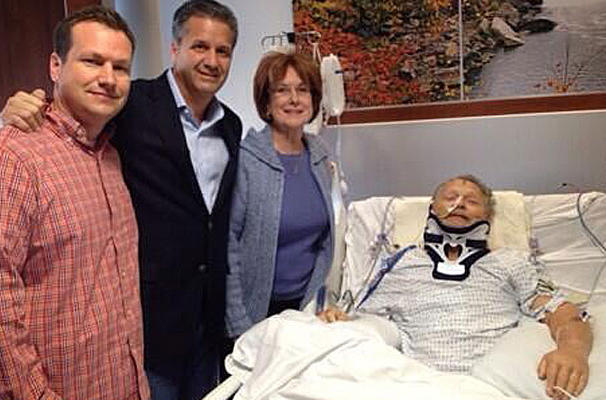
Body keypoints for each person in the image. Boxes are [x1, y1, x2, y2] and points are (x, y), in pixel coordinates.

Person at [0, 1, 242, 399]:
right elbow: (68, 118)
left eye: (223, 51)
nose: (211, 60)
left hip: (206, 316)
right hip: (149, 321)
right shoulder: (131, 104)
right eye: (200, 46)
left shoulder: (231, 125)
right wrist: (10, 116)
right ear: (175, 49)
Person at [0, 6, 150, 400]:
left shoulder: (110, 156)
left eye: (120, 68)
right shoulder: (8, 158)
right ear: (55, 65)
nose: (108, 78)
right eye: (92, 61)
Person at [319, 175, 593, 400]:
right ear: (432, 210)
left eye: (471, 201)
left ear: (486, 215)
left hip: (492, 385)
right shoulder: (400, 263)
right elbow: (367, 322)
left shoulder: (511, 262)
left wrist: (572, 350)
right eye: (450, 198)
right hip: (411, 384)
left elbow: (563, 313)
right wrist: (340, 319)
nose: (460, 204)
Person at [225, 51, 338, 339]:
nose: (294, 99)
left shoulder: (320, 157)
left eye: (303, 90)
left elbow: (324, 240)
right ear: (266, 101)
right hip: (254, 314)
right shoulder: (245, 161)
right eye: (282, 90)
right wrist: (240, 327)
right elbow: (228, 248)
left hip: (306, 310)